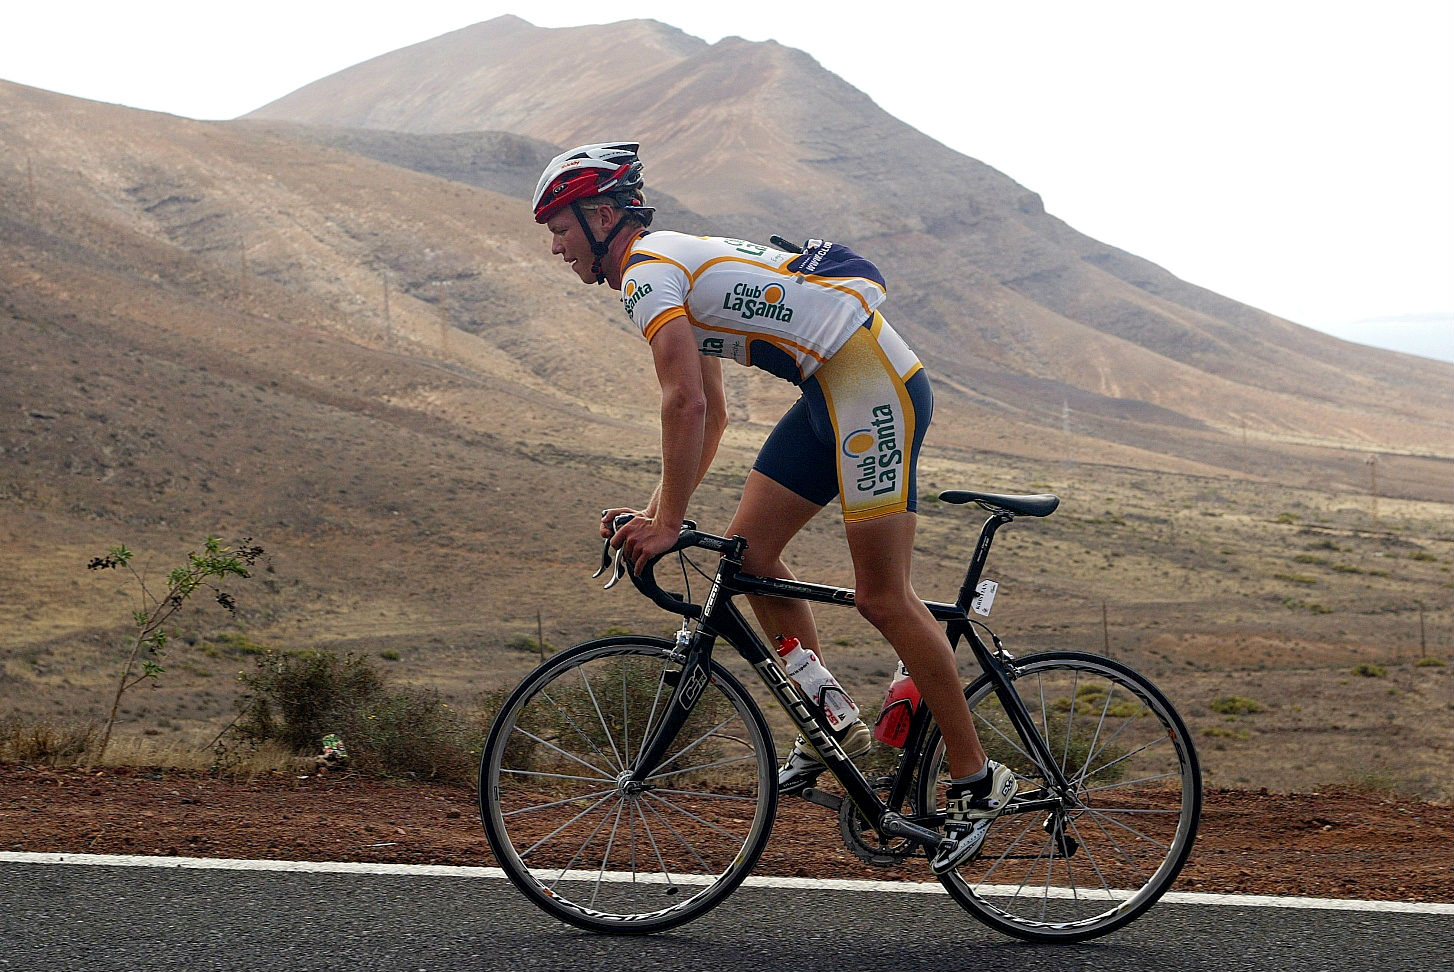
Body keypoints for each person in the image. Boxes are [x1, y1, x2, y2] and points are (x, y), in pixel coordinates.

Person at [532, 142, 1016, 873]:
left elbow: (685, 402)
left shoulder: (647, 273)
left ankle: (977, 777)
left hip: (870, 384)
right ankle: (832, 727)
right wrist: (658, 510)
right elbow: (714, 412)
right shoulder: (668, 264)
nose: (558, 247)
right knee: (749, 558)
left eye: (560, 228)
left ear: (601, 215)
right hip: (833, 390)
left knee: (883, 597)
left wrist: (666, 523)